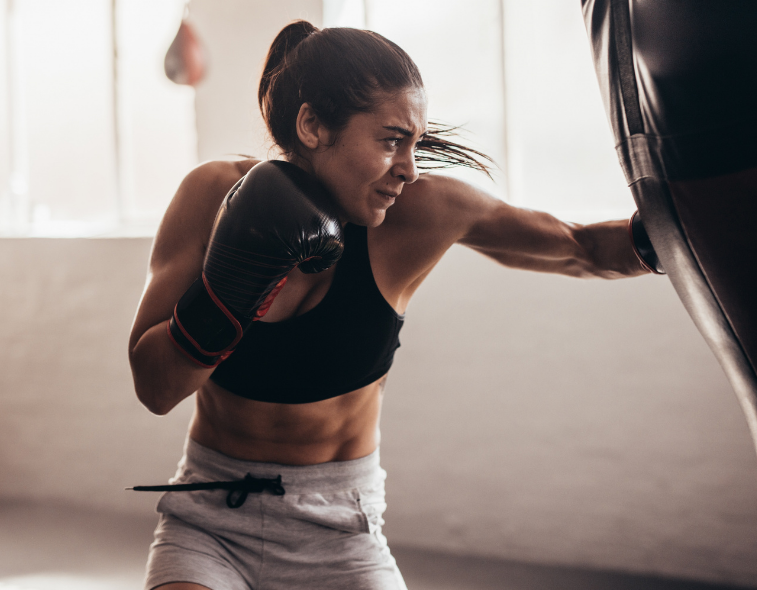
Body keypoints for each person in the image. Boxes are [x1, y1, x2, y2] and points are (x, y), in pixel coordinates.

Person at [128, 20, 657, 590]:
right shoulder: (211, 196)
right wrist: (231, 286)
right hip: (210, 523)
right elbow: (156, 390)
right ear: (311, 125)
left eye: (415, 144)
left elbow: (579, 247)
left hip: (340, 533)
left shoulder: (423, 213)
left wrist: (694, 227)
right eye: (390, 140)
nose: (408, 168)